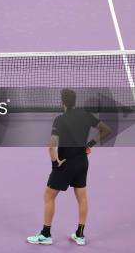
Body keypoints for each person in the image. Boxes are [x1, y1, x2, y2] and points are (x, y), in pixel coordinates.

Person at [27, 89, 112, 246]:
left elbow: (51, 145)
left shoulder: (60, 119)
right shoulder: (86, 115)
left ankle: (45, 234)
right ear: (75, 101)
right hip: (82, 162)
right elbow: (106, 129)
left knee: (49, 196)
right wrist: (89, 145)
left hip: (65, 164)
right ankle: (80, 235)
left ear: (62, 102)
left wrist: (55, 163)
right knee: (82, 198)